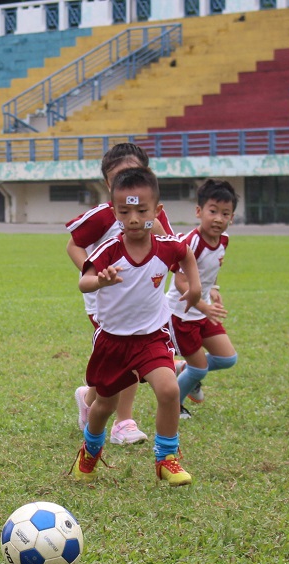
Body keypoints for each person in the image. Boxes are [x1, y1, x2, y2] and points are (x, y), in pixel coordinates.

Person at [71, 166, 201, 487]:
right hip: (112, 342)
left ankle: (166, 459)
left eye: (141, 210)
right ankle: (90, 449)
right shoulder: (109, 250)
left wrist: (194, 287)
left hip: (151, 338)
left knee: (169, 390)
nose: (133, 218)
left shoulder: (166, 245)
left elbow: (186, 255)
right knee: (103, 406)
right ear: (114, 213)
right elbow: (84, 281)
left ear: (156, 211)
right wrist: (99, 279)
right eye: (124, 211)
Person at [66, 142, 176, 446]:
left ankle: (89, 399)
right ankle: (123, 421)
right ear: (108, 184)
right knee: (126, 355)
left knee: (125, 362)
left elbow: (171, 250)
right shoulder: (103, 217)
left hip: (145, 302)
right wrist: (94, 273)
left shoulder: (154, 217)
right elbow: (73, 245)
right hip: (107, 302)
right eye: (118, 179)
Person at [169, 179, 239, 418]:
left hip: (203, 310)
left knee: (227, 358)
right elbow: (180, 282)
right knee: (199, 370)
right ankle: (173, 407)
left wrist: (213, 288)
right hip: (182, 314)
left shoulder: (224, 240)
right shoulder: (191, 243)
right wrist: (202, 305)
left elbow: (209, 269)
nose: (219, 218)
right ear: (199, 211)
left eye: (225, 213)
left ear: (232, 216)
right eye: (213, 211)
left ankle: (184, 370)